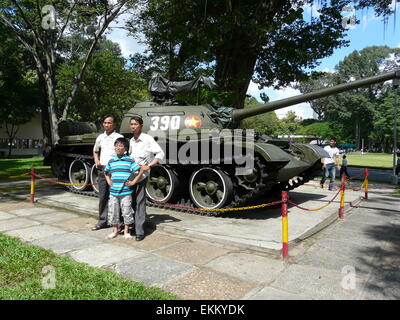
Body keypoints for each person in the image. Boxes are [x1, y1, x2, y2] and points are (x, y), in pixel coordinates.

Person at [129, 115, 164, 241]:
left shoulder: (147, 139)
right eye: (131, 124)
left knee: (140, 203)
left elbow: (160, 153)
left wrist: (149, 166)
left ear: (141, 126)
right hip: (130, 176)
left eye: (135, 124)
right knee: (131, 202)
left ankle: (140, 231)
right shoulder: (131, 141)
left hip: (141, 176)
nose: (133, 126)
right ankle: (132, 226)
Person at [104, 138, 145, 240]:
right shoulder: (111, 160)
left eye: (121, 146)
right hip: (113, 193)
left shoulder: (129, 160)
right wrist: (108, 180)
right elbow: (106, 172)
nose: (118, 148)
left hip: (126, 192)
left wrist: (133, 182)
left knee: (126, 211)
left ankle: (126, 231)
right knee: (113, 212)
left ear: (125, 148)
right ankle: (115, 230)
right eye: (117, 145)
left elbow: (140, 170)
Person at [91, 115, 123, 231]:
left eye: (109, 123)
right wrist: (96, 160)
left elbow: (124, 153)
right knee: (103, 196)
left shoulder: (119, 137)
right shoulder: (100, 137)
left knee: (117, 197)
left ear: (114, 124)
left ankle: (118, 222)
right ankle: (102, 221)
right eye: (105, 123)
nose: (107, 125)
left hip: (116, 171)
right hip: (103, 171)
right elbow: (95, 150)